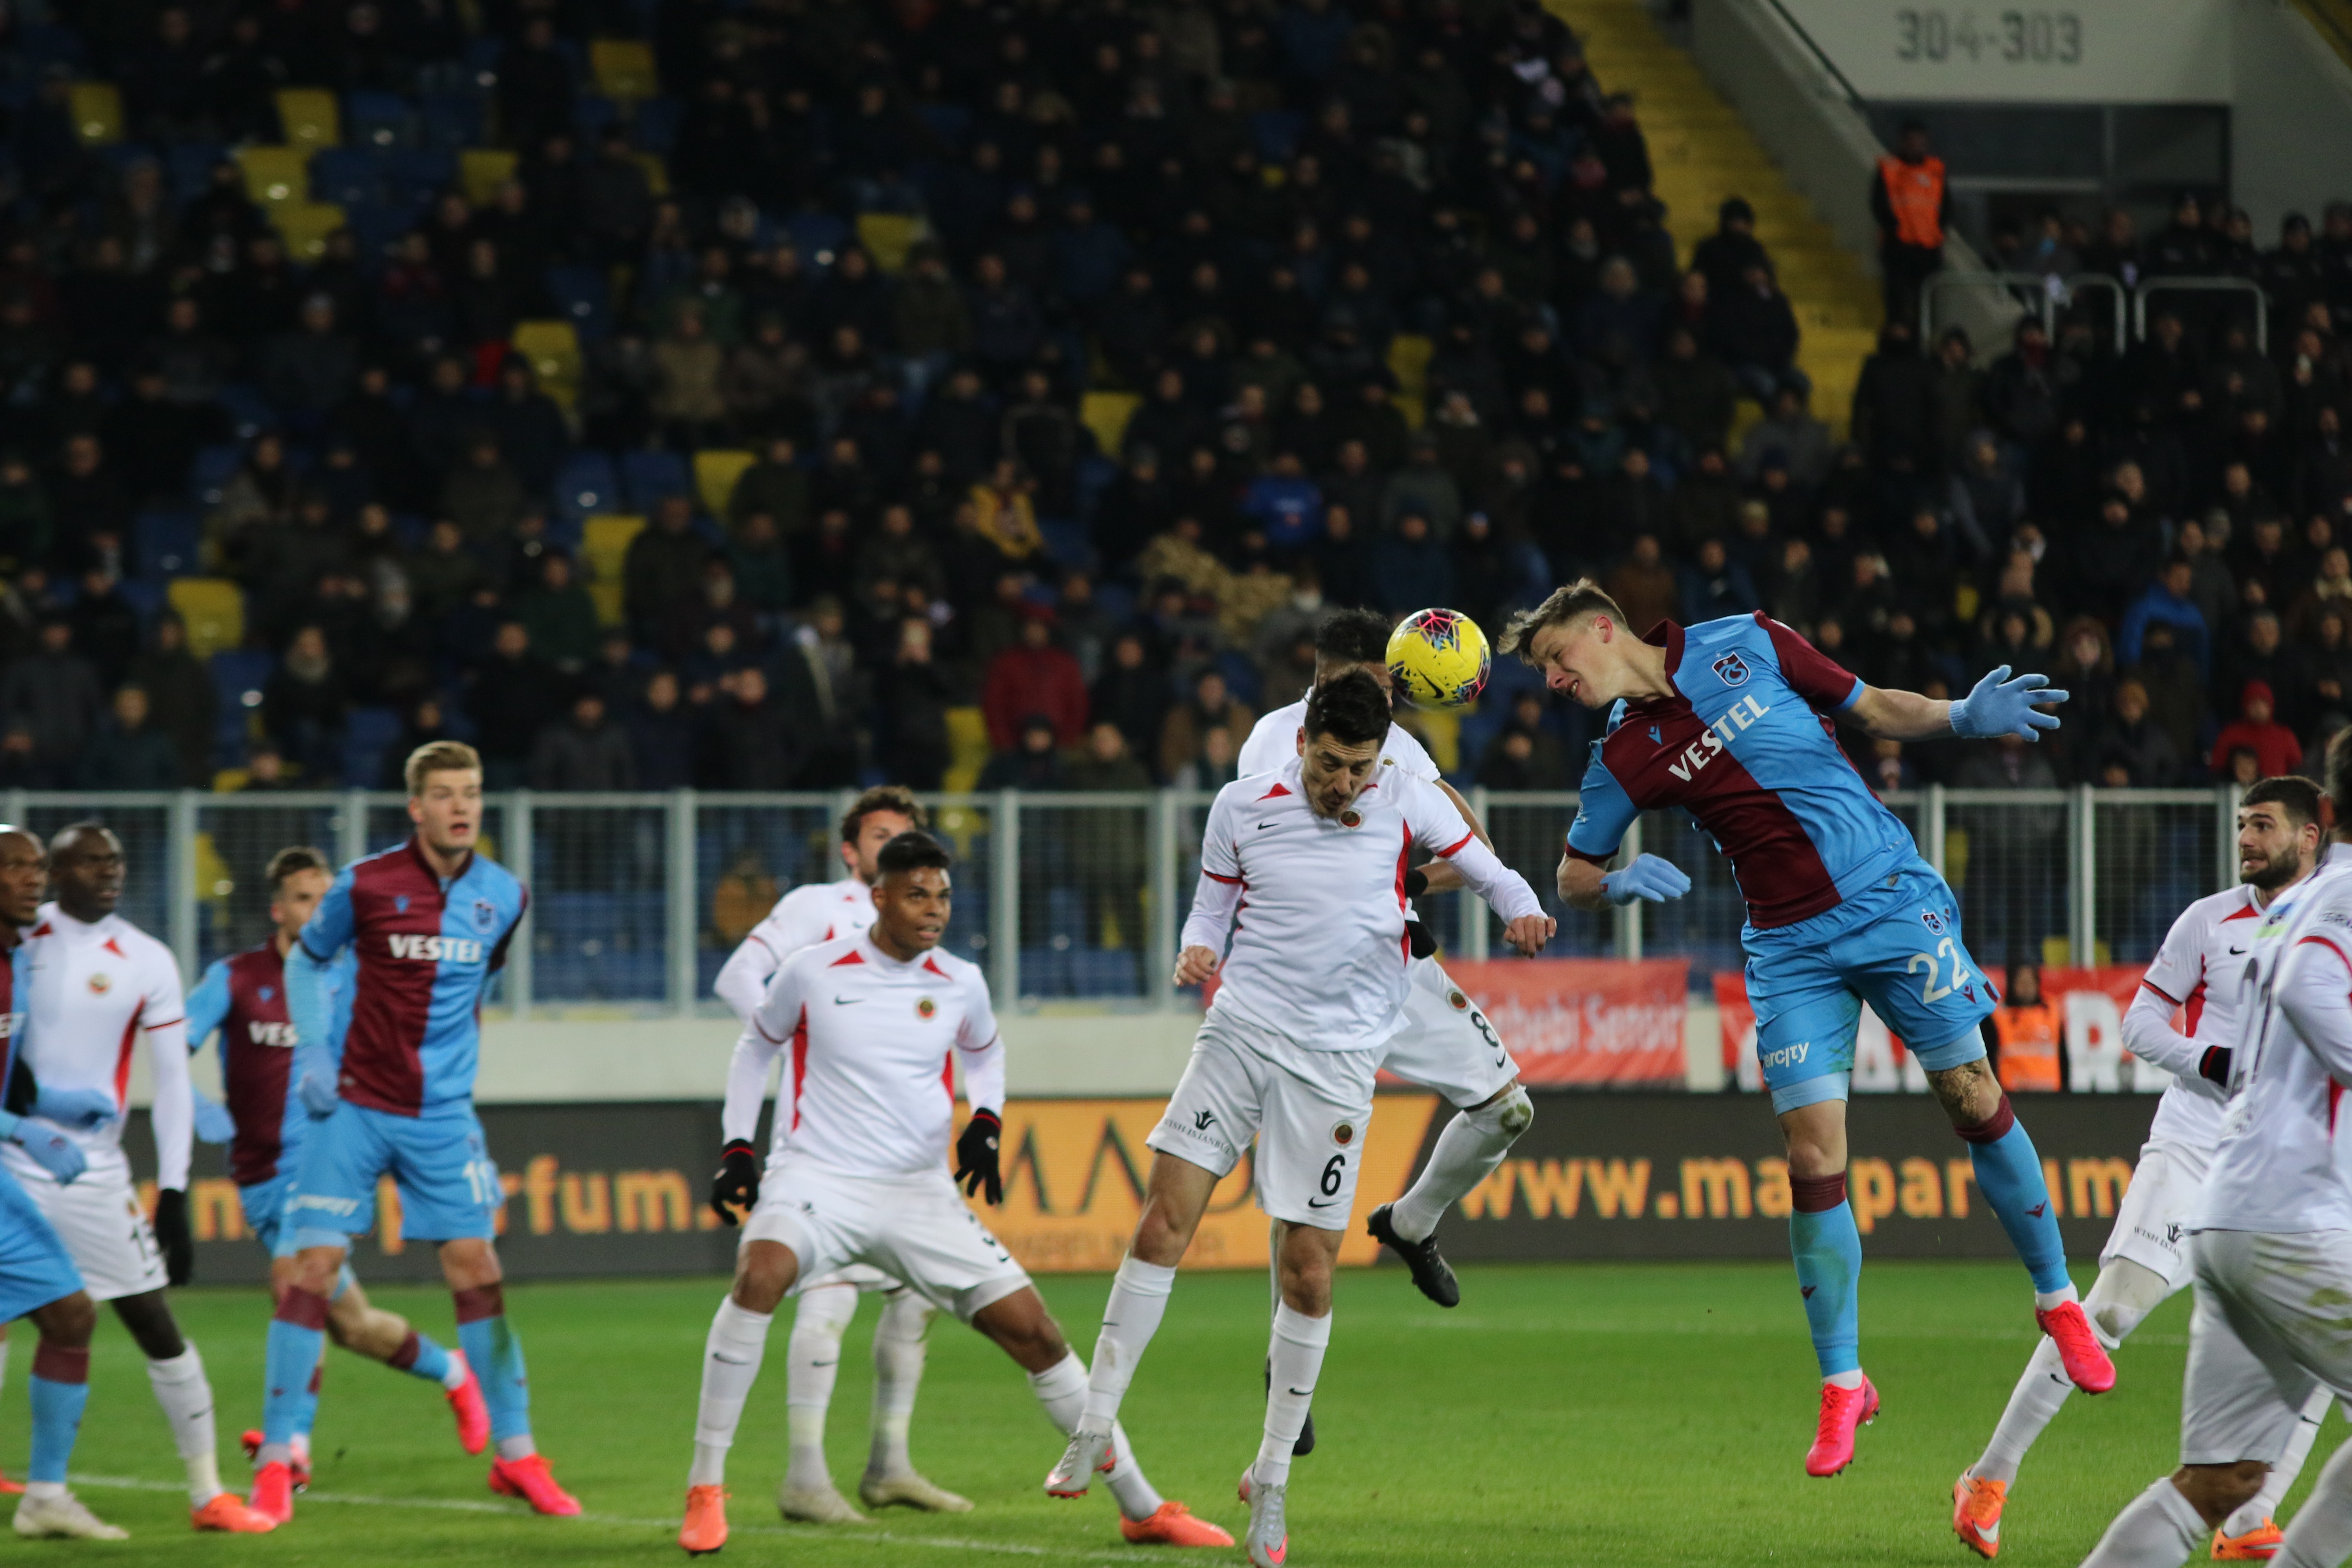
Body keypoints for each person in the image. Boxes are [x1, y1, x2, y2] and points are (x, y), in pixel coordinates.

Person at [1501, 580, 2109, 1476]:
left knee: (1972, 1093)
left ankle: (2059, 1302)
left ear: (1602, 627)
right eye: (1544, 672)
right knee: (1812, 1156)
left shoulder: (1747, 640)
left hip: (1889, 898)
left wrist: (1959, 717)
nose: (1554, 680)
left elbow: (1872, 707)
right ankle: (1842, 1383)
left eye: (1557, 658)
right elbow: (1572, 875)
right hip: (1789, 950)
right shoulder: (1623, 756)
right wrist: (1616, 883)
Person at [1046, 673, 1552, 1568]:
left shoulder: (1406, 797)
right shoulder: (1242, 804)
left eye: (1358, 768)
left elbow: (1487, 867)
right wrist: (1197, 946)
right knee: (1163, 1222)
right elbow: (1211, 904)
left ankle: (1272, 1479)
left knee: (1310, 1274)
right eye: (1328, 764)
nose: (1342, 784)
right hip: (1240, 1034)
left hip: (1336, 1065)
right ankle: (1094, 1426)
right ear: (1302, 742)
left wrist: (1522, 908)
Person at [684, 831, 1229, 1554]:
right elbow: (756, 1046)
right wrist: (737, 1146)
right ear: (880, 898)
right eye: (918, 895)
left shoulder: (959, 980)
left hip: (918, 1194)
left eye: (942, 895)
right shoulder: (812, 971)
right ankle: (705, 1486)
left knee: (1037, 1335)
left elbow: (984, 1049)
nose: (935, 909)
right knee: (759, 1275)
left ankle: (1142, 1507)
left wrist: (988, 1121)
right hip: (818, 1179)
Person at [1955, 778, 2331, 1561]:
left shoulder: (2331, 922)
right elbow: (2139, 1022)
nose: (2245, 838)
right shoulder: (2208, 919)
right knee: (2115, 1311)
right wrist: (2209, 1060)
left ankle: (2250, 1518)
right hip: (2193, 1145)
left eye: (2262, 825)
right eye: (2241, 823)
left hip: (2286, 1166)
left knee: (2317, 1342)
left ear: (2308, 836)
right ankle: (1989, 1476)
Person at [252, 742, 573, 1522]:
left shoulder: (505, 895)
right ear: (416, 807)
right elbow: (306, 961)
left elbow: (478, 982)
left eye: (472, 791)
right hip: (353, 1108)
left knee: (478, 1267)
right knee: (310, 1270)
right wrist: (315, 1049)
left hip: (441, 1116)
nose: (461, 805)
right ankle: (276, 1460)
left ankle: (518, 1455)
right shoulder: (365, 883)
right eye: (445, 793)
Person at [2075, 735, 2352, 1568]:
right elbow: (2306, 983)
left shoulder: (2296, 900)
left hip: (2237, 1215)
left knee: (2222, 1481)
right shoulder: (2340, 897)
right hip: (2295, 1219)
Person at [1234, 609, 1538, 1311]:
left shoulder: (1401, 746)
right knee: (1304, 1197)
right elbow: (1271, 848)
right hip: (1306, 982)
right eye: (1379, 683)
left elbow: (1474, 849)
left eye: (1395, 686)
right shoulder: (1274, 739)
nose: (1391, 698)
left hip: (1394, 962)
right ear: (1326, 677)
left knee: (1507, 1110)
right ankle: (1284, 1358)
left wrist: (1410, 883)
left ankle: (1412, 1222)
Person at [183, 847, 490, 1490]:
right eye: (304, 899)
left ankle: (292, 1445)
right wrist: (193, 1100)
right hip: (261, 1178)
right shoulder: (236, 978)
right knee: (352, 1326)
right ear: (279, 910)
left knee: (292, 1281)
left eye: (327, 899)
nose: (318, 910)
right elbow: (168, 1043)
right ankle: (455, 1372)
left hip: (327, 1164)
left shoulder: (361, 978)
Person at [706, 785, 967, 1522]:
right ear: (850, 851)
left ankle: (889, 1464)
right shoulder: (816, 906)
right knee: (830, 1296)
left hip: (902, 1148)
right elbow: (736, 976)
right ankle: (805, 1474)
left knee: (916, 1298)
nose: (893, 847)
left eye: (904, 835)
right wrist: (790, 1035)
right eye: (879, 836)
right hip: (826, 1144)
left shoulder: (915, 920)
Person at [6, 824, 274, 1531]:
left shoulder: (146, 958)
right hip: (10, 1160)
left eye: (116, 861)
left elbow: (174, 1081)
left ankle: (207, 1492)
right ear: (60, 870)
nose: (109, 872)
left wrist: (175, 1189)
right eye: (90, 861)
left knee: (152, 1320)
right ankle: (42, 1492)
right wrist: (30, 1114)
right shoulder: (20, 940)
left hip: (92, 1171)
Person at [0, 826, 127, 1539]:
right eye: (14, 866)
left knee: (71, 1314)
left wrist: (45, 1103)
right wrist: (21, 1130)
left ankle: (45, 1494)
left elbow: (8, 1071)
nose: (34, 879)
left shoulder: (15, 959)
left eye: (38, 866)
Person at [1871, 119, 1949, 329]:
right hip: (1898, 245)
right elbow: (1879, 204)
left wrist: (1938, 232)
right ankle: (1897, 335)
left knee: (1925, 301)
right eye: (1912, 141)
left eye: (1920, 141)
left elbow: (1946, 206)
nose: (1916, 145)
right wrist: (1894, 229)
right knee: (1897, 298)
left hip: (1928, 247)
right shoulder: (1889, 169)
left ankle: (1922, 336)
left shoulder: (1935, 170)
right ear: (1903, 142)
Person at [1988, 961, 2059, 1093]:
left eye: (2030, 982)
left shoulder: (2052, 1011)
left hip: (2050, 1094)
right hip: (2012, 1094)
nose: (2026, 987)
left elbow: (2063, 1055)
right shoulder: (1999, 1016)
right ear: (2012, 984)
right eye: (2021, 982)